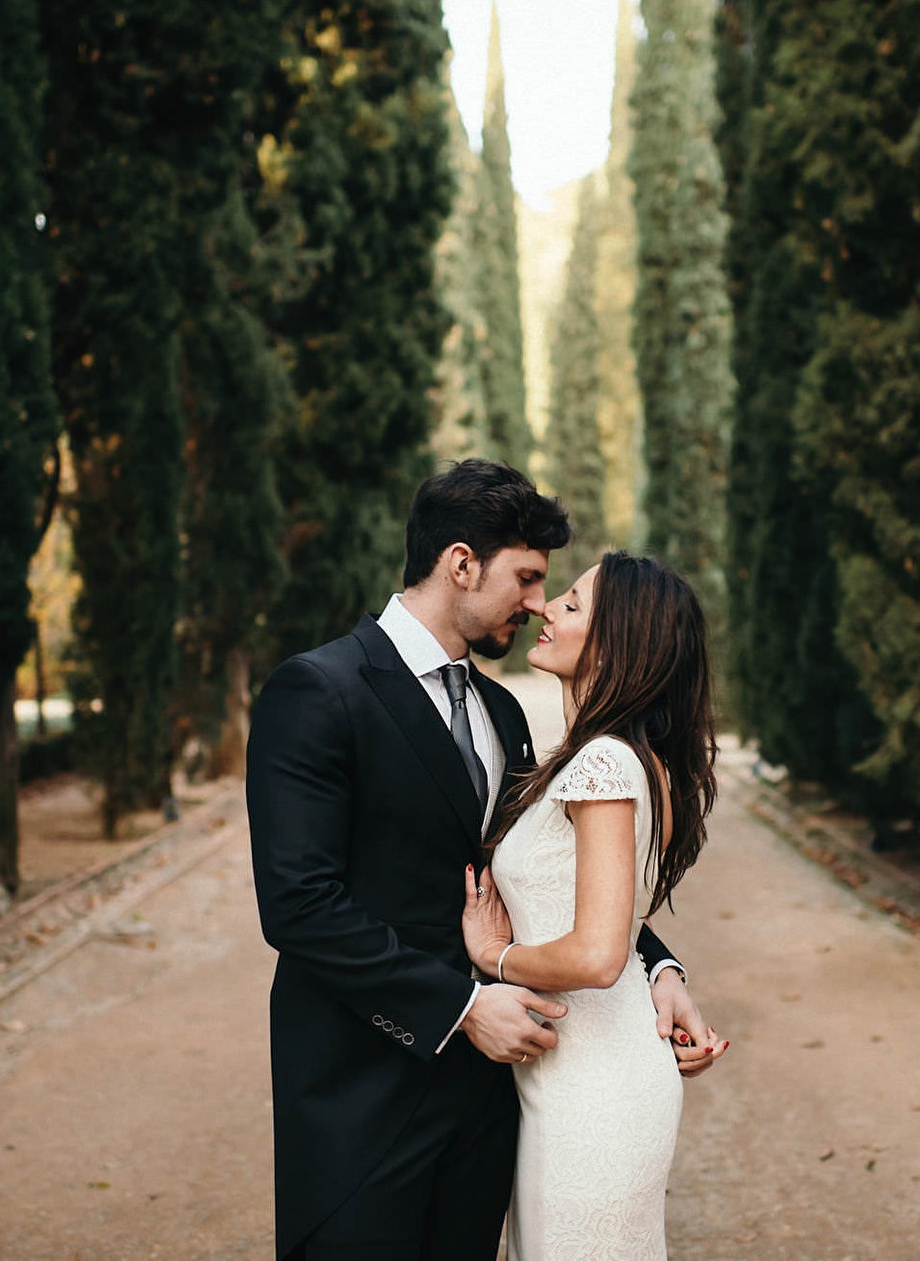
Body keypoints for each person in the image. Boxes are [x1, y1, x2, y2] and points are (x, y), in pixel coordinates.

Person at [246, 460, 720, 1261]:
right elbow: (299, 904)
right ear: (461, 564)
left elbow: (553, 880)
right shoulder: (318, 692)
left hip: (492, 1104)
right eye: (530, 579)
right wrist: (463, 1008)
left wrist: (661, 969)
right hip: (365, 1094)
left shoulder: (503, 711)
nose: (540, 603)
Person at [461, 551, 721, 1261]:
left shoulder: (604, 764)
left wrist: (495, 957)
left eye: (571, 605)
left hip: (593, 1089)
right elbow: (625, 925)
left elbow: (601, 953)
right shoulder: (626, 758)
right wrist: (667, 973)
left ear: (619, 646)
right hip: (579, 1073)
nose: (546, 608)